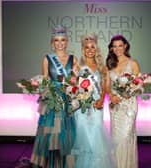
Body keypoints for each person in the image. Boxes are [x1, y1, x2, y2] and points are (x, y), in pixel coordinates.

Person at [30, 25, 78, 168]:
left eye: (63, 40)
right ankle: (51, 163)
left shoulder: (73, 58)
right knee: (51, 132)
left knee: (65, 132)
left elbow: (78, 80)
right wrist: (39, 88)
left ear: (67, 41)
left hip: (66, 99)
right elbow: (45, 80)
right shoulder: (47, 58)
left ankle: (64, 163)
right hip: (52, 99)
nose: (60, 43)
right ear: (52, 43)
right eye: (56, 40)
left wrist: (75, 80)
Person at [71, 33, 114, 168]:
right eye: (87, 47)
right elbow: (72, 86)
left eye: (92, 47)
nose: (90, 50)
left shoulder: (103, 67)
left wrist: (101, 99)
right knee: (83, 132)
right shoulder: (78, 66)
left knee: (96, 132)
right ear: (83, 49)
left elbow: (105, 87)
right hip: (82, 107)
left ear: (96, 49)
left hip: (97, 105)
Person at [105, 35, 140, 168]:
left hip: (129, 105)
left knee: (126, 137)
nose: (117, 48)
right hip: (115, 105)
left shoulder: (133, 63)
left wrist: (129, 92)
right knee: (117, 139)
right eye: (115, 46)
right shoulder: (109, 64)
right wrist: (111, 95)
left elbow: (138, 84)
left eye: (120, 45)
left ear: (125, 46)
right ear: (112, 48)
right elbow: (107, 85)